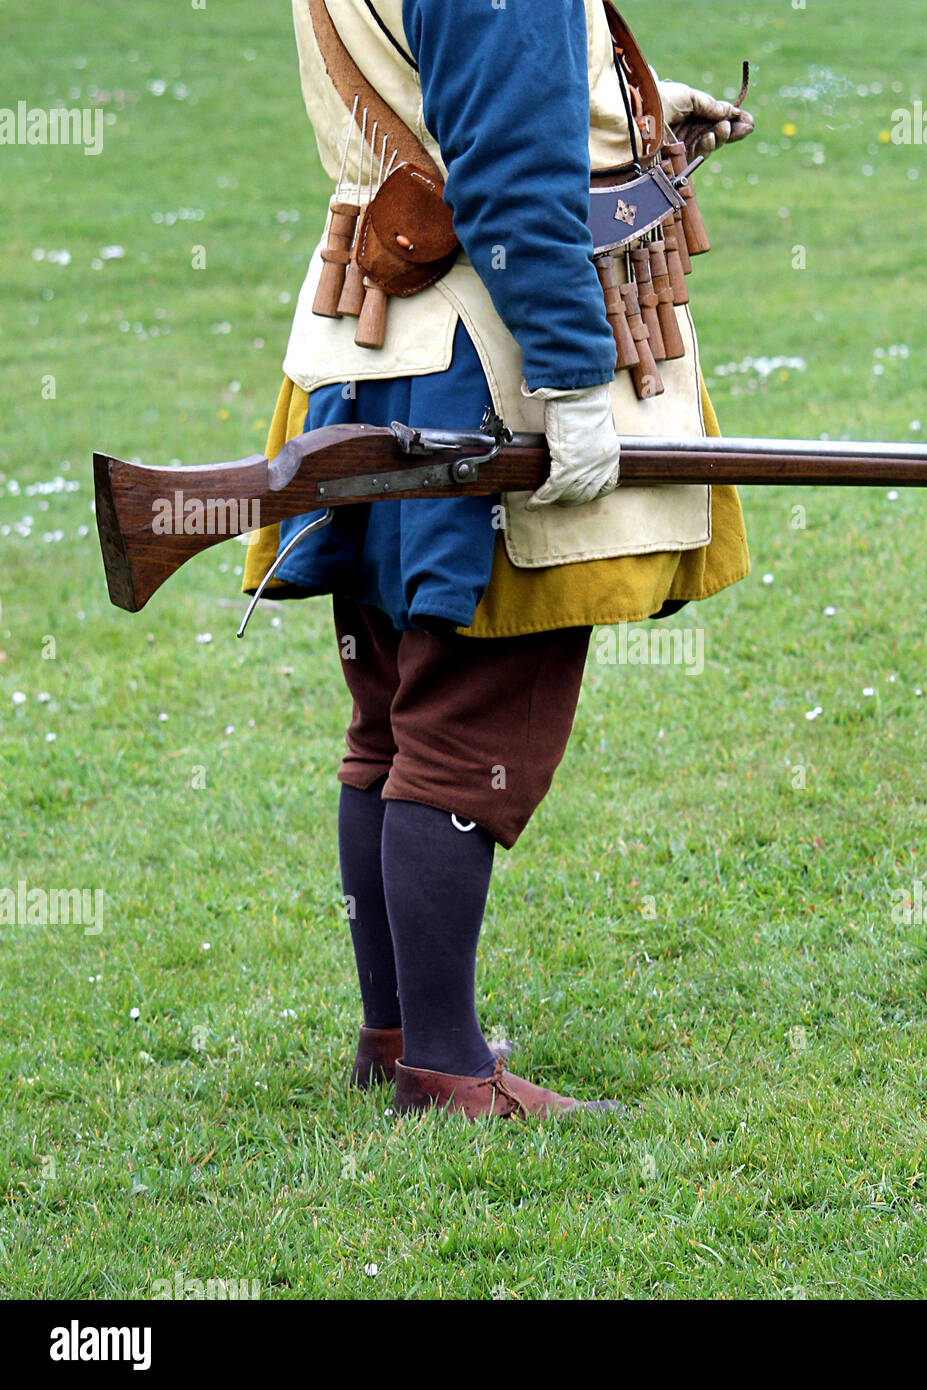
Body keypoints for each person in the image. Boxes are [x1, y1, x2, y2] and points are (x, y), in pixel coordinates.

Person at [242, 0, 753, 1120]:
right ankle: (445, 1071)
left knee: (393, 720)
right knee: (463, 723)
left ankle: (404, 1035)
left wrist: (630, 109)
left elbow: (445, 85)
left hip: (378, 351)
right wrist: (573, 383)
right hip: (489, 359)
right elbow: (510, 173)